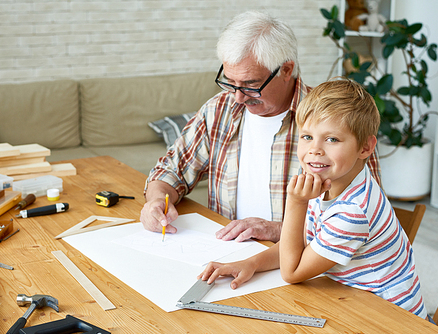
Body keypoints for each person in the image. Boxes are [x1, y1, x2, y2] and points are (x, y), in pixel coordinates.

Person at [141, 11, 381, 243]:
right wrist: (156, 201)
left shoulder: (337, 122)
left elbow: (366, 213)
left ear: (286, 70)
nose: (238, 97)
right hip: (227, 252)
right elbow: (172, 170)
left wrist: (276, 230)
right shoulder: (219, 110)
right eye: (230, 82)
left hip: (305, 265)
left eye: (250, 84)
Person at [198, 79, 429, 320]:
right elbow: (301, 246)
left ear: (365, 148)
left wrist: (296, 203)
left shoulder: (353, 211)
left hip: (389, 318)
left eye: (332, 139)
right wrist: (252, 263)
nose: (315, 150)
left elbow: (292, 270)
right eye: (307, 136)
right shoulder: (331, 178)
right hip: (350, 299)